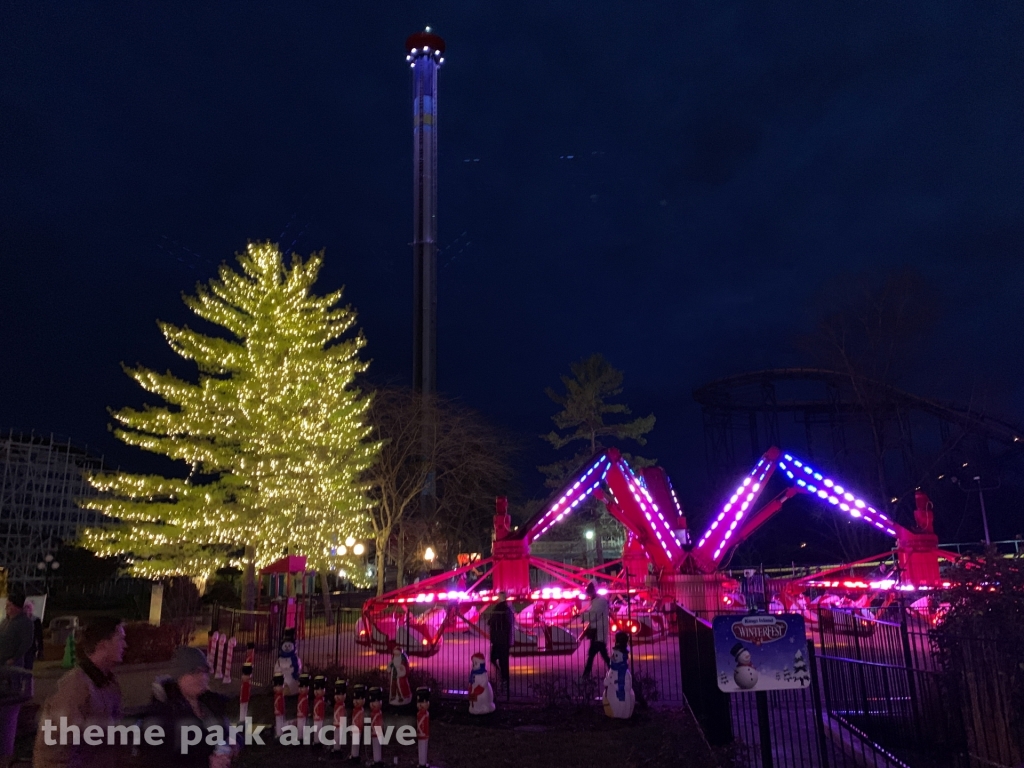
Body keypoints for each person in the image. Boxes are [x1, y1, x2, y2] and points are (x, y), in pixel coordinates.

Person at [33, 616, 126, 768]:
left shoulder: (108, 683)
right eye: (121, 639)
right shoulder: (73, 688)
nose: (125, 645)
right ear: (103, 645)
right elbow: (56, 753)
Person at [140, 646, 231, 768]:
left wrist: (234, 744)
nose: (202, 677)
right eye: (194, 672)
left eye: (204, 671)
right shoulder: (162, 714)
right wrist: (206, 764)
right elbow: (157, 761)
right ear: (178, 676)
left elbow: (232, 729)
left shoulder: (211, 704)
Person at [486, 591, 514, 690]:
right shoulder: (506, 608)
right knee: (502, 661)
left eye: (499, 597)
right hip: (502, 639)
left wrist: (491, 623)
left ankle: (504, 679)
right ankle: (503, 678)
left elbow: (493, 621)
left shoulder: (501, 608)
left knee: (498, 660)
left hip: (500, 639)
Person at [581, 582, 610, 677]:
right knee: (598, 654)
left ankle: (586, 674)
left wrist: (582, 616)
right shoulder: (597, 601)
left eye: (589, 593)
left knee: (596, 654)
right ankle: (586, 673)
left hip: (598, 632)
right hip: (597, 632)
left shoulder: (599, 601)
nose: (589, 595)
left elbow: (593, 615)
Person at [0, 593, 34, 668]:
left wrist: (14, 659)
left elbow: (26, 642)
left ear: (16, 607)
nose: (6, 608)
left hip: (12, 663)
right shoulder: (5, 621)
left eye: (9, 605)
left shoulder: (25, 622)